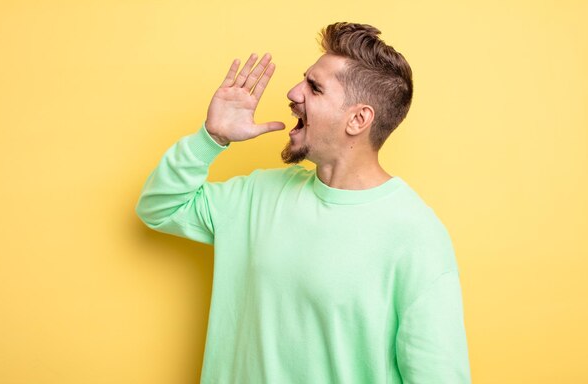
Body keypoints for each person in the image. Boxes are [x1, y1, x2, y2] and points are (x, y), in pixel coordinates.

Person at [136, 22, 471, 384]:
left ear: (358, 119)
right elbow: (160, 207)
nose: (294, 93)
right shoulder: (257, 196)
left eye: (314, 88)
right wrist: (211, 138)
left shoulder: (415, 236)